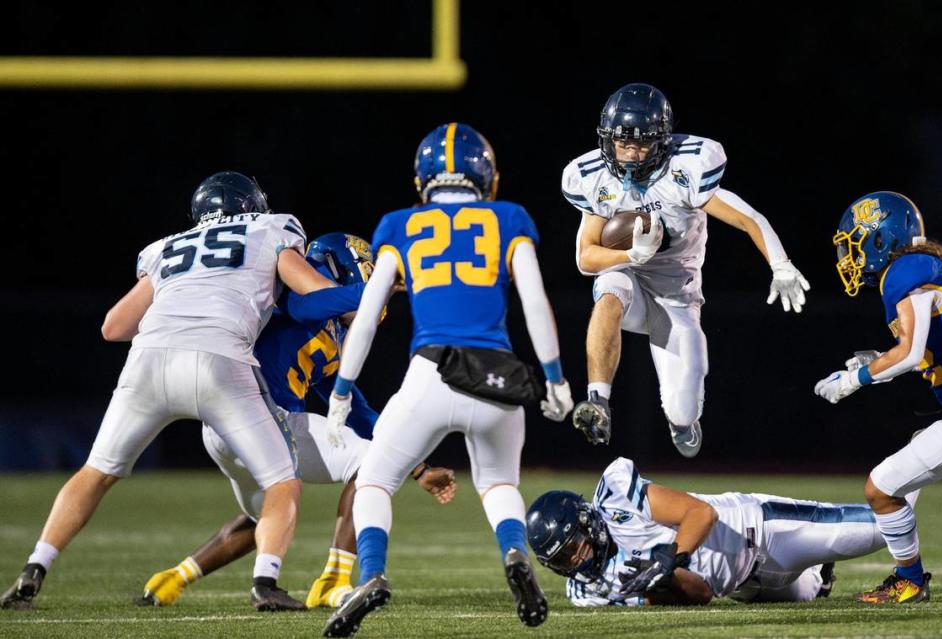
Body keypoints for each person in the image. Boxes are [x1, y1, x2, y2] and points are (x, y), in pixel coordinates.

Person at [0, 171, 328, 611]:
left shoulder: (167, 248)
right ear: (251, 205)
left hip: (148, 360)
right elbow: (311, 288)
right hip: (220, 358)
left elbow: (113, 326)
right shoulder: (270, 228)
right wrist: (361, 296)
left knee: (96, 472)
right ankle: (265, 583)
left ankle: (33, 569)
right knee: (282, 481)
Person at [321, 123, 574, 637]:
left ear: (422, 178)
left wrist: (342, 392)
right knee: (500, 483)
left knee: (374, 480)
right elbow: (533, 300)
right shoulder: (509, 218)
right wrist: (554, 379)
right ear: (487, 174)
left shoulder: (398, 225)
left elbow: (367, 317)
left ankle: (370, 575)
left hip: (430, 374)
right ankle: (513, 553)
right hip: (497, 377)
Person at [137, 233, 457, 611]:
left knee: (266, 517)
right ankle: (333, 579)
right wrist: (377, 291)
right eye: (368, 274)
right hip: (261, 418)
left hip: (227, 432)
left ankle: (173, 579)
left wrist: (418, 469)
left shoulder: (332, 332)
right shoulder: (293, 294)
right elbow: (310, 303)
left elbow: (355, 409)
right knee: (371, 465)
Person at [562, 83, 810, 457]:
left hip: (677, 300)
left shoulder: (686, 168)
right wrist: (632, 256)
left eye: (641, 144)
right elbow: (585, 258)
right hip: (631, 281)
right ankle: (598, 400)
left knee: (682, 411)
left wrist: (781, 263)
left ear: (661, 141)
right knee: (609, 288)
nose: (629, 154)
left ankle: (682, 420)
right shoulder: (594, 177)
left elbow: (748, 218)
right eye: (621, 144)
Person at [527, 457, 911, 607]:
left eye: (574, 546)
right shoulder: (586, 590)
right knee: (810, 593)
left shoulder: (616, 498)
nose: (576, 560)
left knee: (885, 522)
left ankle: (917, 462)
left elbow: (700, 513)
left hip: (759, 530)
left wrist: (665, 559)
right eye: (563, 559)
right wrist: (661, 582)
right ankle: (818, 575)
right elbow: (702, 594)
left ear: (586, 522)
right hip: (742, 587)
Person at [814, 191, 942, 604]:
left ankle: (909, 580)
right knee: (902, 471)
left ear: (880, 239)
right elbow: (927, 349)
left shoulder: (903, 271)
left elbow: (909, 352)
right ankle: (906, 576)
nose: (847, 258)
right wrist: (879, 361)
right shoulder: (930, 265)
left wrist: (855, 378)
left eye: (853, 244)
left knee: (881, 487)